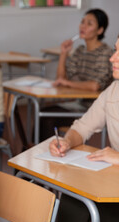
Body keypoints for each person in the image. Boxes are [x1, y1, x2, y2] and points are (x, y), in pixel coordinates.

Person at [48, 37, 119, 222]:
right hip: (114, 190)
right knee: (74, 197)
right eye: (115, 50)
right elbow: (83, 126)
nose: (112, 58)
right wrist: (67, 141)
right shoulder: (113, 91)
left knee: (79, 204)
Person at [40, 8, 114, 141]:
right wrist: (64, 53)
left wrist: (67, 83)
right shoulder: (79, 51)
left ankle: (45, 155)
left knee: (48, 119)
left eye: (89, 24)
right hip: (78, 103)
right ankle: (38, 152)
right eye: (82, 22)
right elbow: (61, 79)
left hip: (94, 109)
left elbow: (95, 86)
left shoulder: (106, 53)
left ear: (100, 30)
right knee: (44, 111)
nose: (83, 26)